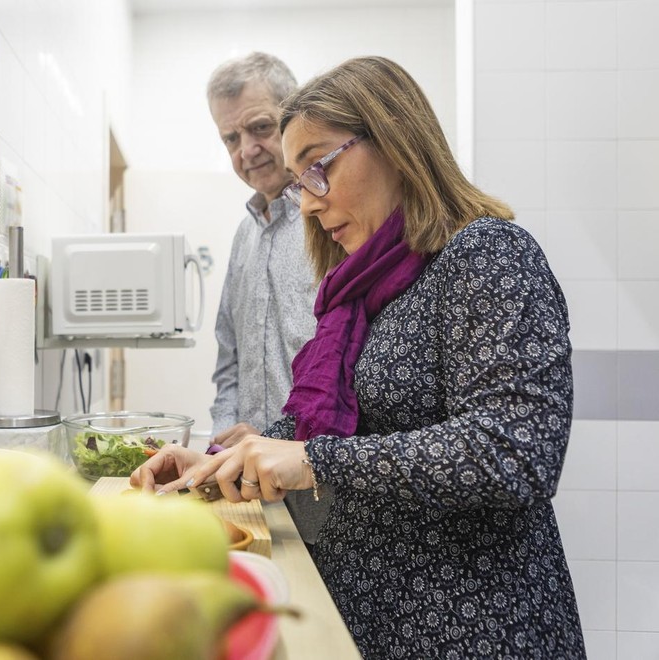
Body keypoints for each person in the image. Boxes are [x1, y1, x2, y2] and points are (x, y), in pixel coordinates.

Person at [134, 56, 586, 658]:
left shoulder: (486, 255)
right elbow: (309, 428)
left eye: (317, 168)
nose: (309, 205)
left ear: (394, 139)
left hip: (472, 625)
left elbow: (516, 451)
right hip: (372, 614)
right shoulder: (357, 290)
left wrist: (313, 461)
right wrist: (214, 462)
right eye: (299, 184)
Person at [205, 53, 328, 547]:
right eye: (230, 139)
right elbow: (228, 356)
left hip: (322, 478)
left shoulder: (331, 219)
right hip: (251, 486)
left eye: (259, 128)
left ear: (293, 117)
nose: (246, 151)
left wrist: (292, 447)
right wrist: (220, 443)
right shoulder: (244, 236)